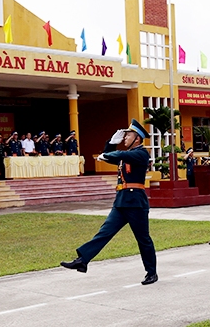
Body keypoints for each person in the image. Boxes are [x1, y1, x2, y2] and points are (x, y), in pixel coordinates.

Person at [61, 119, 158, 285]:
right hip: (121, 202)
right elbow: (110, 155)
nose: (125, 138)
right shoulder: (125, 154)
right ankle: (83, 260)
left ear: (137, 139)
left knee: (143, 239)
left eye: (128, 135)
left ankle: (152, 273)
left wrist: (109, 153)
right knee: (104, 232)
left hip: (136, 203)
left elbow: (119, 155)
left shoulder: (141, 154)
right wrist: (111, 143)